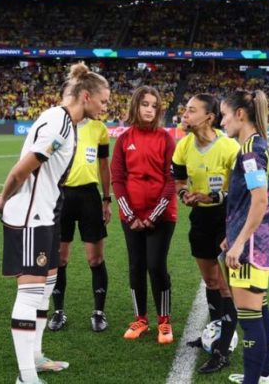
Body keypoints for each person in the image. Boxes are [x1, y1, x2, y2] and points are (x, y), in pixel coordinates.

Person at [0, 62, 110, 384]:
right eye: (104, 100)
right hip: (32, 216)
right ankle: (25, 375)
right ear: (85, 96)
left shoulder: (67, 123)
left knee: (46, 287)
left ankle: (37, 357)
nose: (106, 107)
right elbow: (20, 170)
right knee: (30, 294)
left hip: (47, 212)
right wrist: (4, 199)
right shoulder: (58, 124)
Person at [172, 94, 240, 373]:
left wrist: (213, 197)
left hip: (226, 220)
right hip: (199, 219)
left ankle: (223, 350)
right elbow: (177, 179)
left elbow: (240, 192)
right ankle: (214, 333)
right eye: (185, 110)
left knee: (226, 287)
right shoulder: (184, 145)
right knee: (210, 281)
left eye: (191, 111)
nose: (184, 115)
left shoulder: (229, 147)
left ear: (209, 118)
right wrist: (184, 193)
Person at [219, 90, 269, 384]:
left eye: (225, 115)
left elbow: (259, 201)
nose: (222, 121)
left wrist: (240, 241)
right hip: (261, 243)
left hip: (252, 247)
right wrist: (232, 234)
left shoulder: (251, 151)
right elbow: (247, 202)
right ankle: (263, 375)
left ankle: (253, 380)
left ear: (240, 114)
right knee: (260, 308)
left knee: (249, 316)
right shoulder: (257, 146)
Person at [111, 86, 177, 344]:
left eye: (154, 105)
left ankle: (164, 321)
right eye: (145, 104)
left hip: (162, 216)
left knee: (155, 266)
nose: (149, 109)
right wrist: (130, 216)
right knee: (136, 266)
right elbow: (117, 179)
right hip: (131, 216)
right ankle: (140, 319)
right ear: (135, 106)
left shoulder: (166, 139)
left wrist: (153, 215)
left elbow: (172, 181)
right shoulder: (124, 139)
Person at [47, 84, 112, 333]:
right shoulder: (58, 125)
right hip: (61, 196)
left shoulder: (99, 129)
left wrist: (106, 199)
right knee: (60, 258)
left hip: (89, 197)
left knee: (95, 258)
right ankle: (58, 311)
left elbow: (104, 166)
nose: (103, 107)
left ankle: (98, 312)